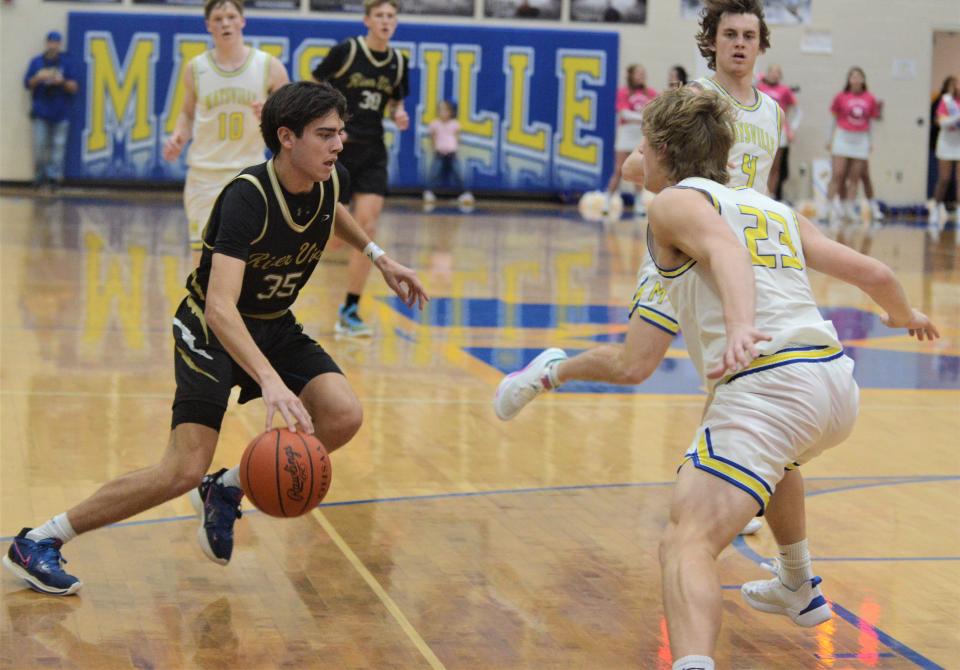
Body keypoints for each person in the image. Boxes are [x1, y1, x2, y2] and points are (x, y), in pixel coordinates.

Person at [2, 81, 429, 596]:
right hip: (210, 328)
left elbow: (334, 206)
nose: (339, 144)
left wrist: (380, 258)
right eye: (326, 134)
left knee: (343, 414)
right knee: (181, 468)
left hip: (273, 322)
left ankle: (225, 489)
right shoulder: (247, 197)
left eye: (340, 132)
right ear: (287, 138)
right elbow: (221, 307)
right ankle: (40, 540)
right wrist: (269, 381)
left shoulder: (330, 177)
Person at [636, 85, 936, 670]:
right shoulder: (770, 207)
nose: (638, 159)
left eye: (644, 147)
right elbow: (872, 271)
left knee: (687, 540)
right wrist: (906, 316)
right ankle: (796, 581)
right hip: (832, 386)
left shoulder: (674, 202)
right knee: (779, 458)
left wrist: (742, 328)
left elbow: (726, 255)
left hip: (770, 382)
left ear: (667, 148)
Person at [495, 0, 782, 536]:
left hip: (730, 256)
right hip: (679, 247)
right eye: (729, 35)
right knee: (634, 367)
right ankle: (551, 370)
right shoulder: (696, 99)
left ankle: (722, 484)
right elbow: (635, 166)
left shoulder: (773, 112)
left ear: (761, 43)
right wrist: (680, 193)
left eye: (749, 35)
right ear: (712, 42)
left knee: (732, 370)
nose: (739, 43)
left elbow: (761, 185)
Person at [313, 0, 410, 337]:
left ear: (395, 23)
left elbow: (396, 98)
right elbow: (313, 87)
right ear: (367, 20)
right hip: (338, 151)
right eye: (380, 15)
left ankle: (350, 308)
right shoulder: (347, 52)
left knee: (366, 227)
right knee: (331, 233)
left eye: (391, 16)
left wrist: (398, 112)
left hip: (373, 151)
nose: (385, 21)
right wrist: (331, 126)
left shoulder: (398, 63)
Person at [163, 0, 289, 258]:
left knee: (247, 258)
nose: (225, 23)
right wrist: (179, 136)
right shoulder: (195, 68)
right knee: (202, 262)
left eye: (231, 16)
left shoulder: (269, 66)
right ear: (208, 25)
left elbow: (291, 119)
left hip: (249, 174)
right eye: (218, 19)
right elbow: (187, 114)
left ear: (242, 21)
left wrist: (270, 115)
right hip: (204, 174)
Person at [825, 67, 883, 225]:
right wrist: (829, 139)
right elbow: (832, 120)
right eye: (853, 76)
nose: (856, 79)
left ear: (863, 80)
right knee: (838, 173)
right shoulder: (841, 97)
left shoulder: (870, 98)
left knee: (855, 177)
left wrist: (870, 142)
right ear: (849, 79)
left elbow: (871, 122)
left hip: (861, 139)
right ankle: (828, 207)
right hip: (843, 137)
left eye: (859, 77)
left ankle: (849, 208)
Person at [23, 30, 79, 190]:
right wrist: (38, 78)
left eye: (56, 42)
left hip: (60, 111)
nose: (53, 45)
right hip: (41, 110)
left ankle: (54, 178)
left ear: (59, 44)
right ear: (47, 43)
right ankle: (39, 177)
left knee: (58, 149)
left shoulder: (66, 63)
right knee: (39, 147)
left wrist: (61, 81)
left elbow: (74, 87)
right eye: (50, 42)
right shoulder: (37, 62)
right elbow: (27, 84)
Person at [606, 64, 658, 215]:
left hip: (641, 133)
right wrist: (643, 117)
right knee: (618, 169)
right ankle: (607, 200)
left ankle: (638, 203)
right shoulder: (624, 92)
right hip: (626, 132)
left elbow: (655, 113)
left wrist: (644, 119)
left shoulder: (651, 93)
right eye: (638, 73)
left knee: (639, 169)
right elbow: (624, 114)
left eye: (643, 73)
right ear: (631, 75)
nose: (641, 76)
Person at [757, 64, 801, 202]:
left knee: (774, 166)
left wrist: (791, 128)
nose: (774, 74)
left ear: (780, 76)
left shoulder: (785, 90)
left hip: (779, 131)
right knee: (760, 162)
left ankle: (771, 197)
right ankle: (758, 193)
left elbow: (798, 111)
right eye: (772, 71)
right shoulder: (759, 87)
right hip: (761, 129)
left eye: (777, 72)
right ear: (767, 73)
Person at [423, 100, 473, 208]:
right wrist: (435, 147)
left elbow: (457, 137)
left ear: (451, 112)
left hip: (452, 153)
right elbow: (432, 137)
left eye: (446, 110)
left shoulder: (455, 124)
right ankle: (429, 193)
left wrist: (455, 147)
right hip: (439, 153)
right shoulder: (434, 124)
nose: (443, 113)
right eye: (441, 110)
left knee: (458, 173)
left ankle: (465, 194)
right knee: (434, 173)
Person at [928, 75, 960, 226]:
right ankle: (935, 207)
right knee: (944, 178)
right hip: (946, 143)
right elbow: (941, 122)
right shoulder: (946, 101)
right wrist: (956, 118)